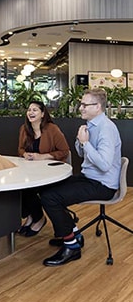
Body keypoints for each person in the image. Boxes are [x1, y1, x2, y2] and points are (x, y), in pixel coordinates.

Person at [41, 88, 121, 266]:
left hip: (102, 185)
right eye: (81, 104)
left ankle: (71, 247)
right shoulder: (90, 125)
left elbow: (104, 164)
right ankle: (74, 233)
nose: (80, 108)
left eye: (85, 105)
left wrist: (85, 143)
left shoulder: (106, 128)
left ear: (98, 107)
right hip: (89, 177)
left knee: (50, 197)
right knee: (46, 189)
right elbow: (81, 154)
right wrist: (80, 141)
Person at [18, 101, 70, 237]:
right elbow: (20, 149)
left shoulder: (52, 129)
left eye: (35, 110)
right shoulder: (24, 129)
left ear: (42, 114)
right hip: (30, 171)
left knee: (28, 189)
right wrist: (24, 154)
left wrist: (43, 156)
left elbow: (64, 151)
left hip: (51, 172)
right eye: (29, 109)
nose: (31, 112)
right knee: (18, 188)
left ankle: (39, 218)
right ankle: (31, 216)